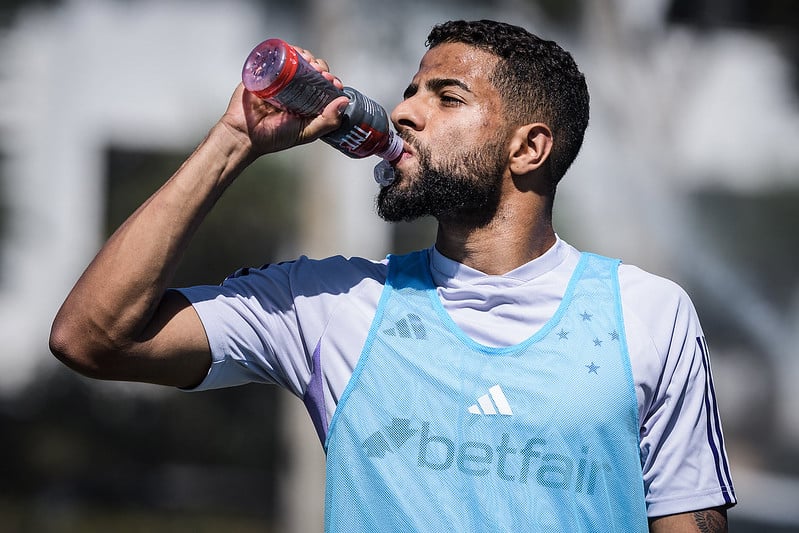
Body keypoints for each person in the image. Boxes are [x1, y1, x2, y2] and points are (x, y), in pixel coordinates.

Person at [50, 19, 736, 532]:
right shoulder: (328, 302)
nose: (404, 112)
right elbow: (92, 337)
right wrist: (234, 140)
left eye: (446, 96)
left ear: (528, 148)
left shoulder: (646, 310)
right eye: (409, 92)